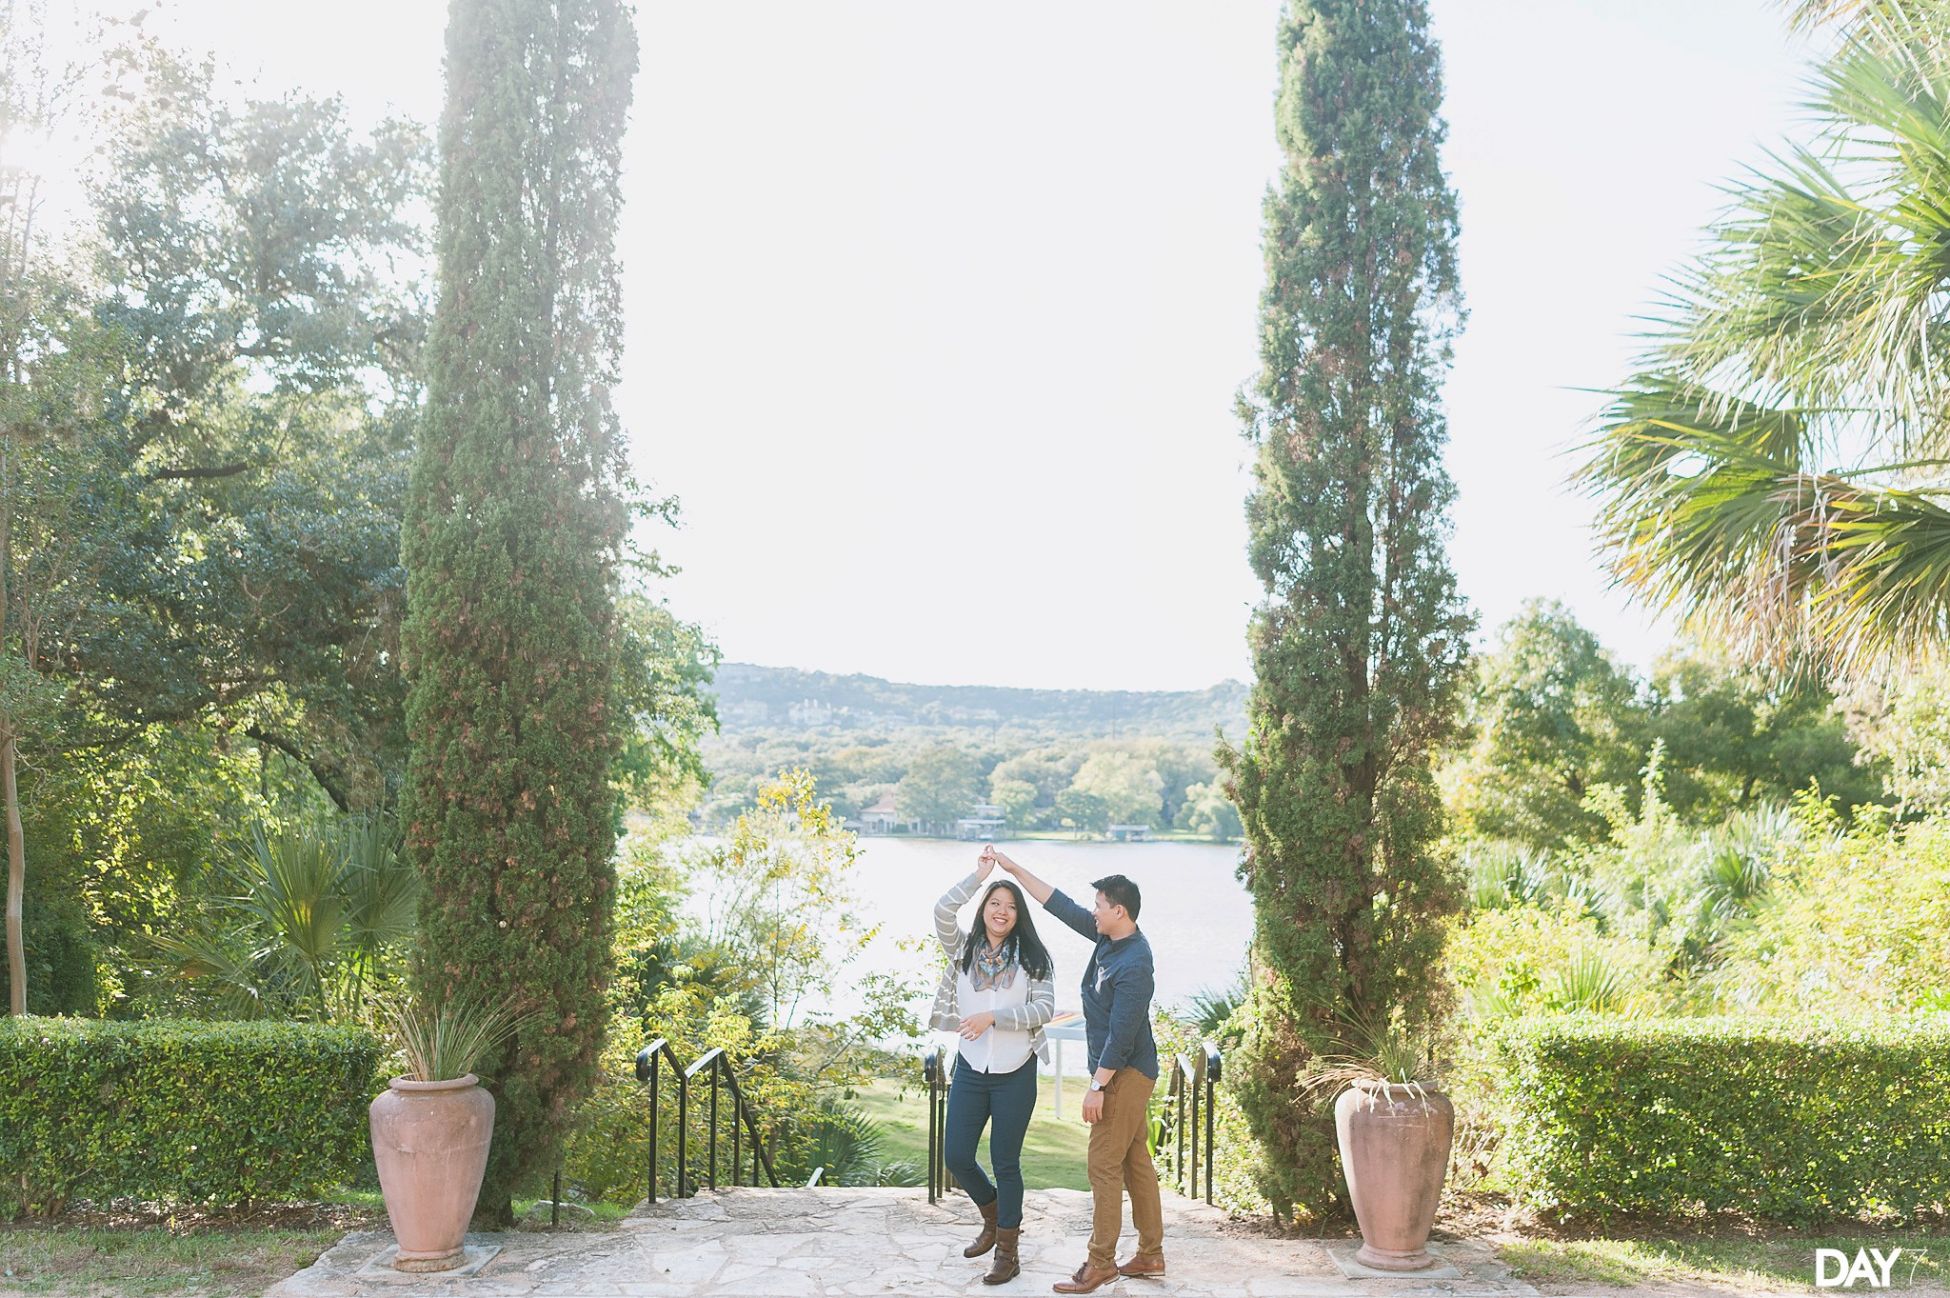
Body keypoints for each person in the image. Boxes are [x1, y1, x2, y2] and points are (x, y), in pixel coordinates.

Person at [984, 845, 1162, 1295]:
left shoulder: (1135, 962)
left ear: (1119, 911)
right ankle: (1151, 1253)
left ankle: (1100, 1263)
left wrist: (1097, 1086)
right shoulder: (1109, 936)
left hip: (1125, 1073)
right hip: (1124, 1071)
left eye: (1100, 907)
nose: (1093, 913)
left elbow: (1122, 1035)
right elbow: (1058, 904)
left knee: (1103, 1165)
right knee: (1136, 1160)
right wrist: (1013, 868)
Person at [930, 850, 1057, 1285]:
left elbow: (1044, 1008)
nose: (1002, 912)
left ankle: (1008, 1251)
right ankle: (993, 1217)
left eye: (1010, 906)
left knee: (1006, 1162)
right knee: (958, 1156)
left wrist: (995, 1018)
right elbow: (943, 909)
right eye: (994, 903)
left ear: (1019, 915)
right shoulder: (963, 948)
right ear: (984, 908)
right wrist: (979, 875)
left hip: (1015, 1071)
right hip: (970, 1068)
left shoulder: (1034, 957)